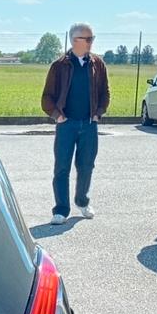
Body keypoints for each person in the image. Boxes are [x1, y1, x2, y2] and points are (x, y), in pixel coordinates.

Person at [41, 23, 110, 224]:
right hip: (66, 125)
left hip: (89, 125)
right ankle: (61, 210)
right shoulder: (59, 66)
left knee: (86, 166)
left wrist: (99, 113)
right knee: (62, 167)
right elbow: (47, 96)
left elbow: (105, 92)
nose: (91, 42)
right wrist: (57, 115)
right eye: (87, 39)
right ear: (74, 41)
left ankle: (82, 201)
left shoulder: (98, 64)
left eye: (92, 38)